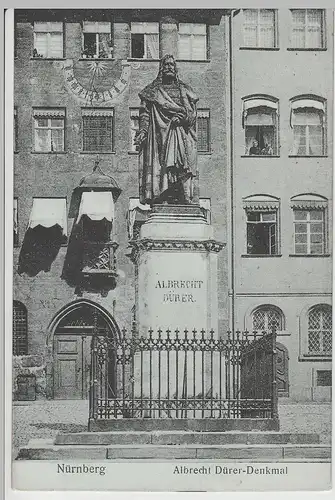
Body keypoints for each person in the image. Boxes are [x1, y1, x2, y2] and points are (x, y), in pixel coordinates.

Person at [134, 55, 199, 205]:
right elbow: (144, 113)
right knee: (163, 167)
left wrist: (181, 119)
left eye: (171, 65)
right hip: (159, 136)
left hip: (181, 134)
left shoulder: (185, 90)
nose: (169, 67)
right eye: (166, 65)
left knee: (182, 164)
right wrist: (143, 131)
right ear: (161, 68)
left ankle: (184, 197)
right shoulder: (152, 91)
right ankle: (162, 197)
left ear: (175, 69)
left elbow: (192, 115)